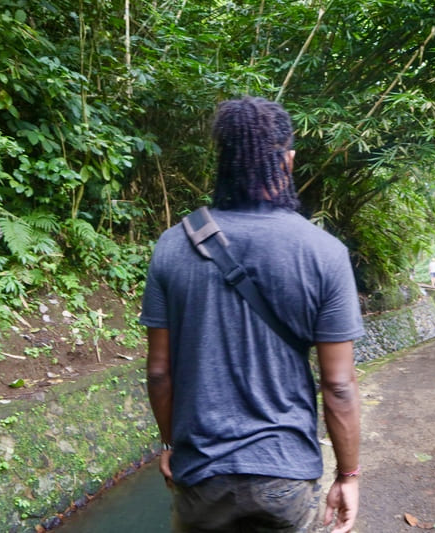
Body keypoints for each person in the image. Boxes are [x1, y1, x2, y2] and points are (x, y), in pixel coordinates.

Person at [140, 97, 364, 533]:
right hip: (286, 475)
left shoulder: (173, 245)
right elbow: (338, 385)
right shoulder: (325, 253)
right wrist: (348, 476)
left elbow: (160, 373)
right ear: (289, 160)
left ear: (223, 163)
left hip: (201, 474)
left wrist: (169, 443)